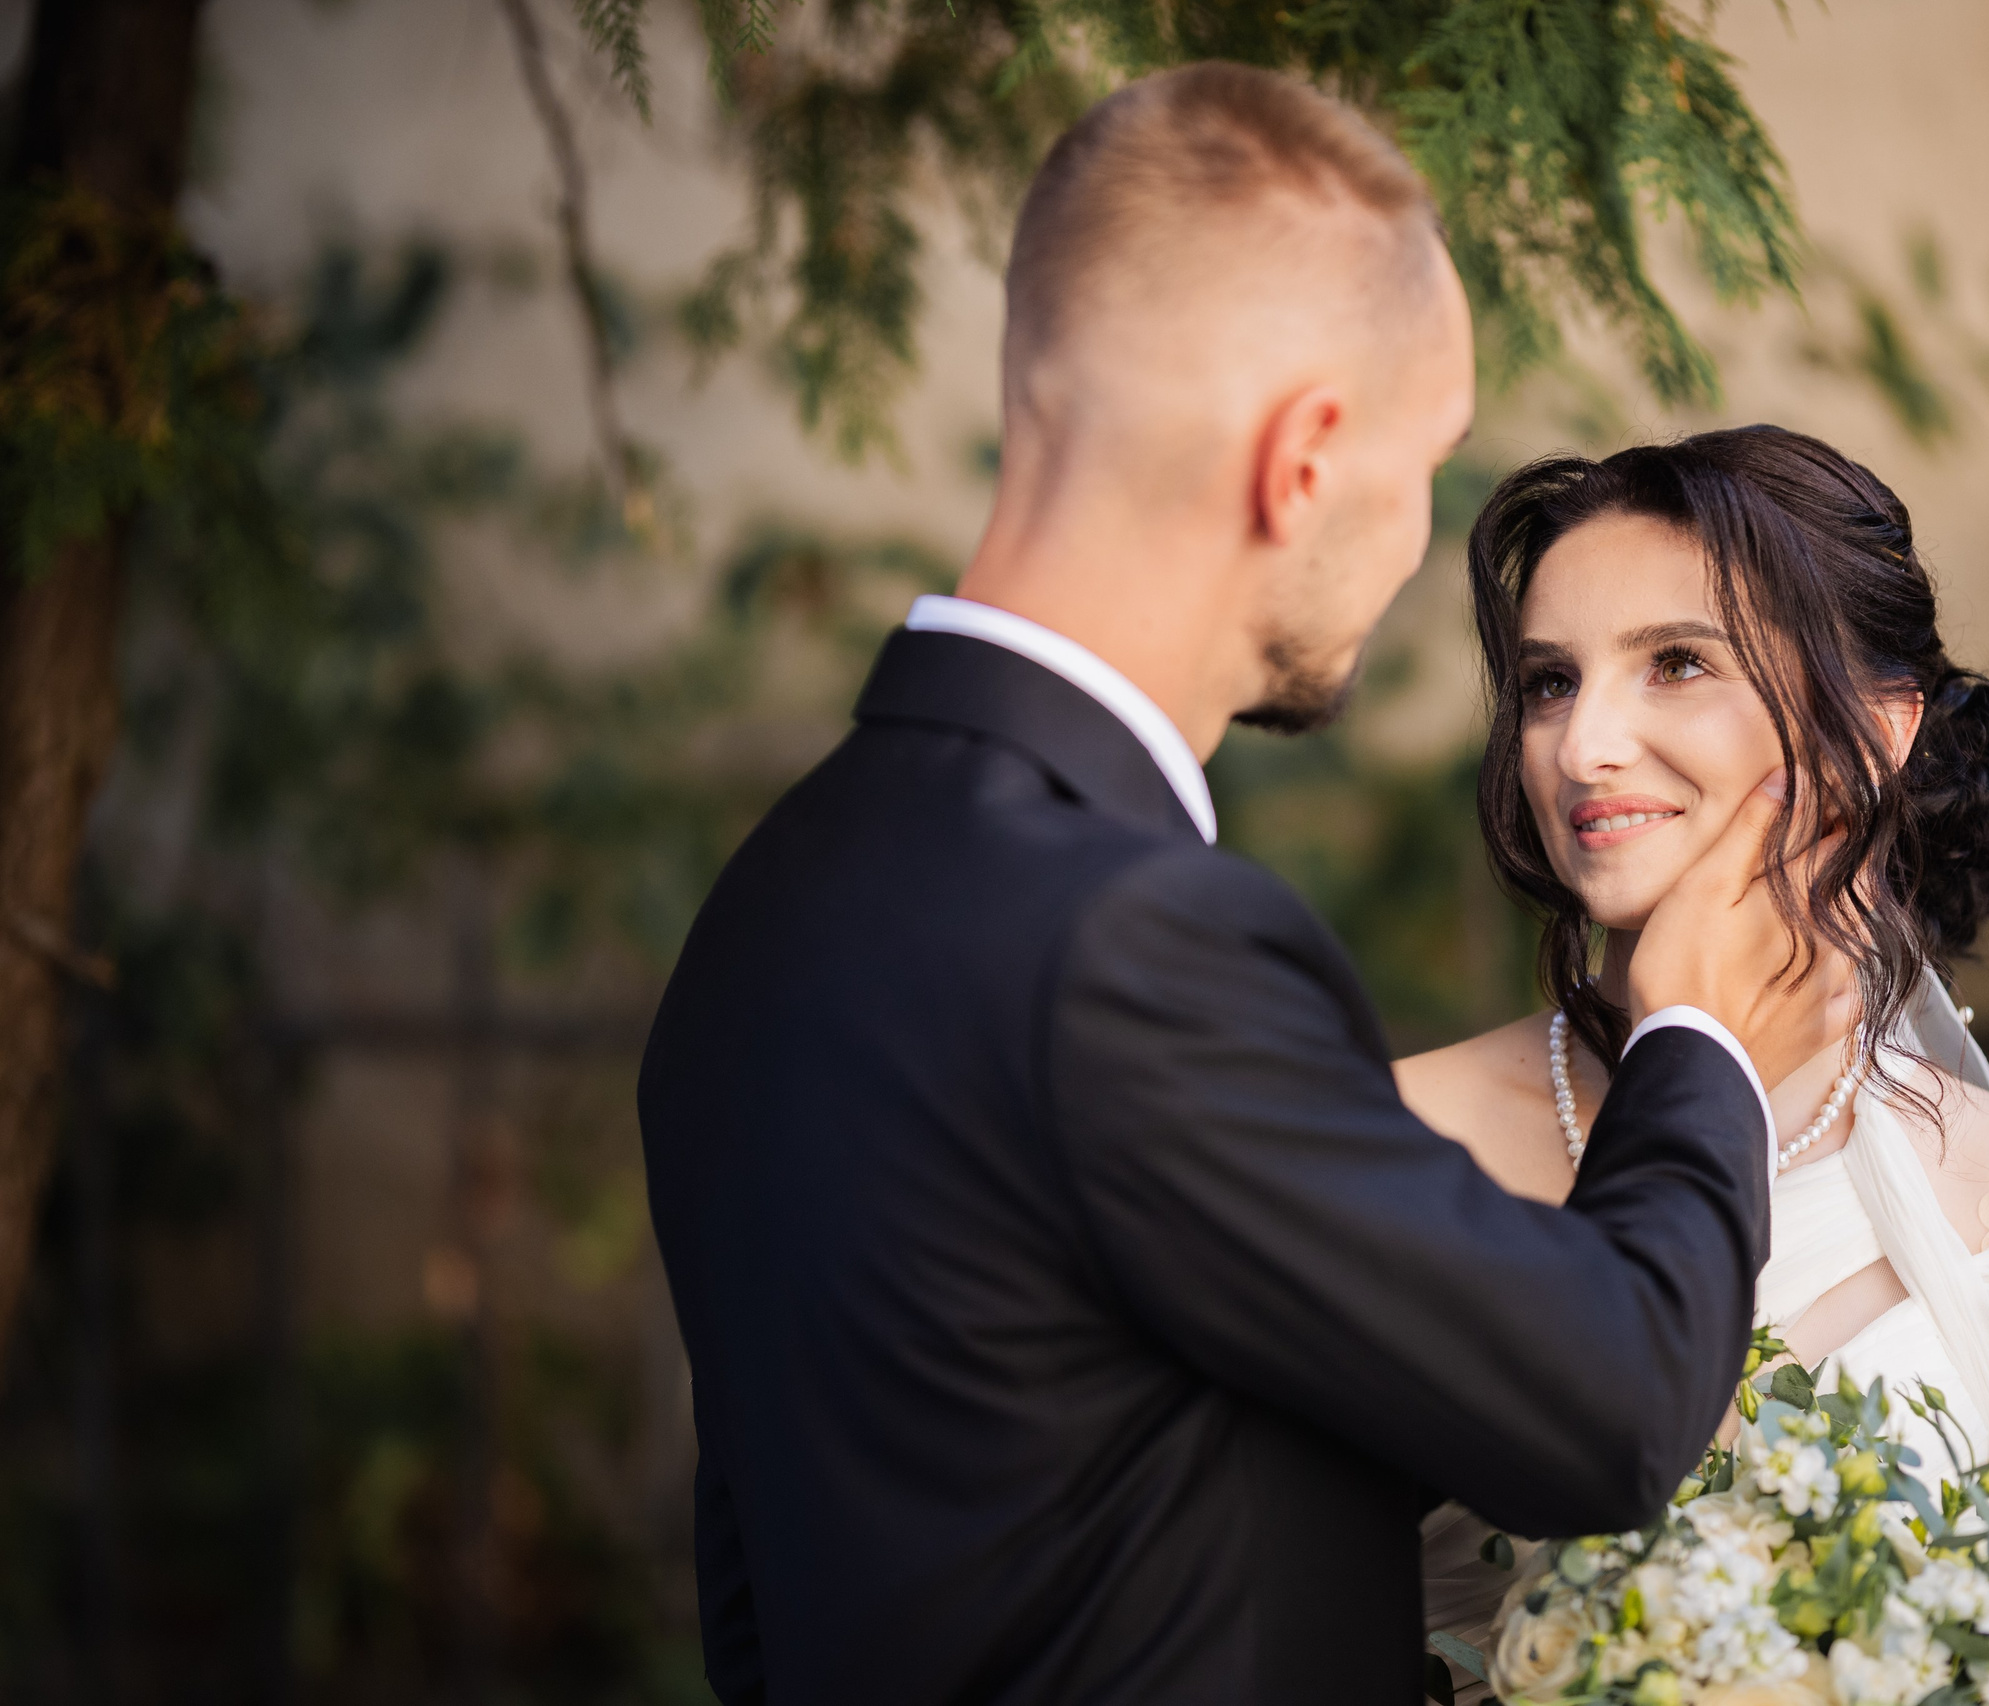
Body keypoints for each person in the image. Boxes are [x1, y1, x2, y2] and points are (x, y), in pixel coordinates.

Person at [640, 68, 1840, 1706]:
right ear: (1306, 459)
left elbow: (758, 1595)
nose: (1414, 547)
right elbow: (1611, 1402)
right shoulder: (1133, 941)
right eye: (1423, 468)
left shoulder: (768, 909)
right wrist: (1697, 1026)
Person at [1398, 428, 1989, 1693]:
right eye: (1548, 681)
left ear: (1873, 728)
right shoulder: (1402, 1135)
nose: (1582, 745)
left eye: (1675, 663)